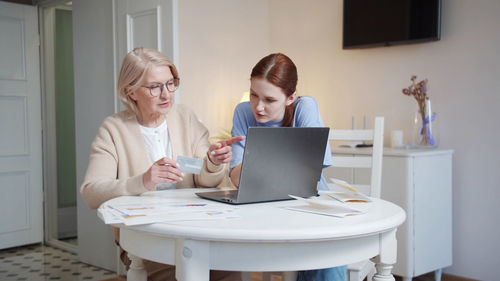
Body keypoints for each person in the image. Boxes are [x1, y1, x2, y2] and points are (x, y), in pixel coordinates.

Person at [80, 47, 243, 281]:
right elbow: (91, 193)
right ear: (131, 91)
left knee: (229, 269)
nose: (166, 94)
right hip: (146, 236)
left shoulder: (185, 117)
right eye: (155, 87)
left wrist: (212, 162)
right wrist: (143, 181)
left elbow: (204, 178)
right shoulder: (113, 129)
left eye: (170, 83)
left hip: (194, 228)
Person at [229, 53, 346, 281]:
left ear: (290, 98)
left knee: (328, 255)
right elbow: (236, 177)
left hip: (311, 204)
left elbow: (312, 168)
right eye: (254, 95)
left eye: (269, 100)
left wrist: (255, 160)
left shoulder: (305, 106)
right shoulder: (243, 112)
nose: (258, 107)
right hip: (262, 209)